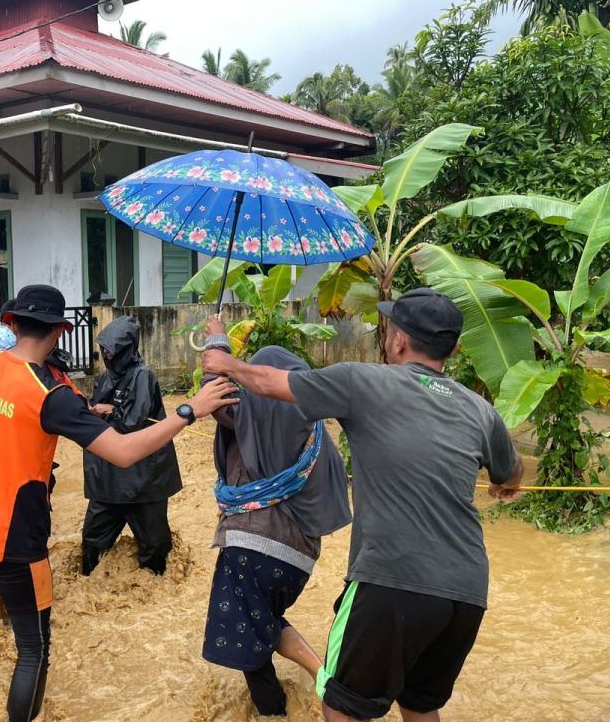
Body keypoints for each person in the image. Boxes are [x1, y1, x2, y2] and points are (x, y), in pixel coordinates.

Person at [0, 284, 239, 722]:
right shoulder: (51, 394)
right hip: (15, 536)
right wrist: (189, 411)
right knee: (33, 648)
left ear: (12, 323)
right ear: (59, 331)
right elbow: (123, 452)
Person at [202, 288, 523, 722]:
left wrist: (225, 359)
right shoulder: (480, 410)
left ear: (399, 340)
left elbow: (270, 383)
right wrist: (504, 485)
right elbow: (511, 471)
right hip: (467, 591)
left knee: (341, 707)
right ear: (452, 349)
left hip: (391, 579)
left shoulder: (363, 382)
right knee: (420, 706)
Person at [201, 337, 353, 717]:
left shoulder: (251, 413)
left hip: (249, 549)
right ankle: (319, 674)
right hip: (297, 561)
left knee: (247, 643)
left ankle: (277, 710)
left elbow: (214, 396)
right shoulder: (315, 433)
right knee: (263, 621)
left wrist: (217, 343)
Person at [81, 316, 182, 577]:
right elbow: (93, 422)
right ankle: (88, 586)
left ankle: (155, 591)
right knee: (93, 543)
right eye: (104, 349)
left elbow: (132, 423)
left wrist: (108, 410)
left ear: (125, 349)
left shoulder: (142, 376)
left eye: (111, 350)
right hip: (108, 479)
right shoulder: (104, 378)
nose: (106, 355)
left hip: (144, 481)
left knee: (154, 547)